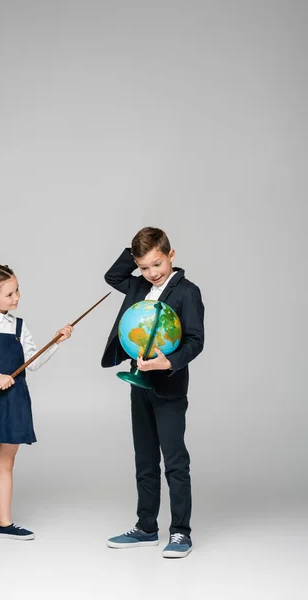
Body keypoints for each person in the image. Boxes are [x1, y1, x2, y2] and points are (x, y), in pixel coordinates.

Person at [101, 227, 204, 558]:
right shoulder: (137, 284)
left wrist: (167, 363)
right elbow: (112, 275)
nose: (152, 273)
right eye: (144, 267)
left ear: (171, 256)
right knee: (144, 459)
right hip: (139, 385)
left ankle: (180, 532)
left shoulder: (187, 292)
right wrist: (133, 252)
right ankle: (146, 527)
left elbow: (195, 341)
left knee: (174, 461)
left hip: (169, 387)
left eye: (157, 264)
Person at [0, 264, 73, 542]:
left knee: (7, 462)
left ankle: (5, 522)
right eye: (9, 294)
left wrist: (56, 342)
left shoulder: (19, 325)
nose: (16, 297)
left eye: (17, 290)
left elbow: (32, 363)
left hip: (15, 401)